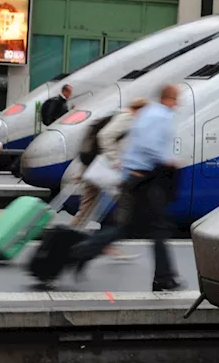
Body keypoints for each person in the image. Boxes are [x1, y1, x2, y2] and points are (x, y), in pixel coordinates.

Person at [67, 86, 184, 291]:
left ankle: (83, 252)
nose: (177, 104)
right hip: (146, 177)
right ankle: (163, 278)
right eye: (176, 99)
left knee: (130, 227)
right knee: (157, 228)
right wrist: (169, 161)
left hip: (135, 176)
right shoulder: (161, 116)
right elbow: (150, 146)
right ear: (168, 99)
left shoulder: (148, 113)